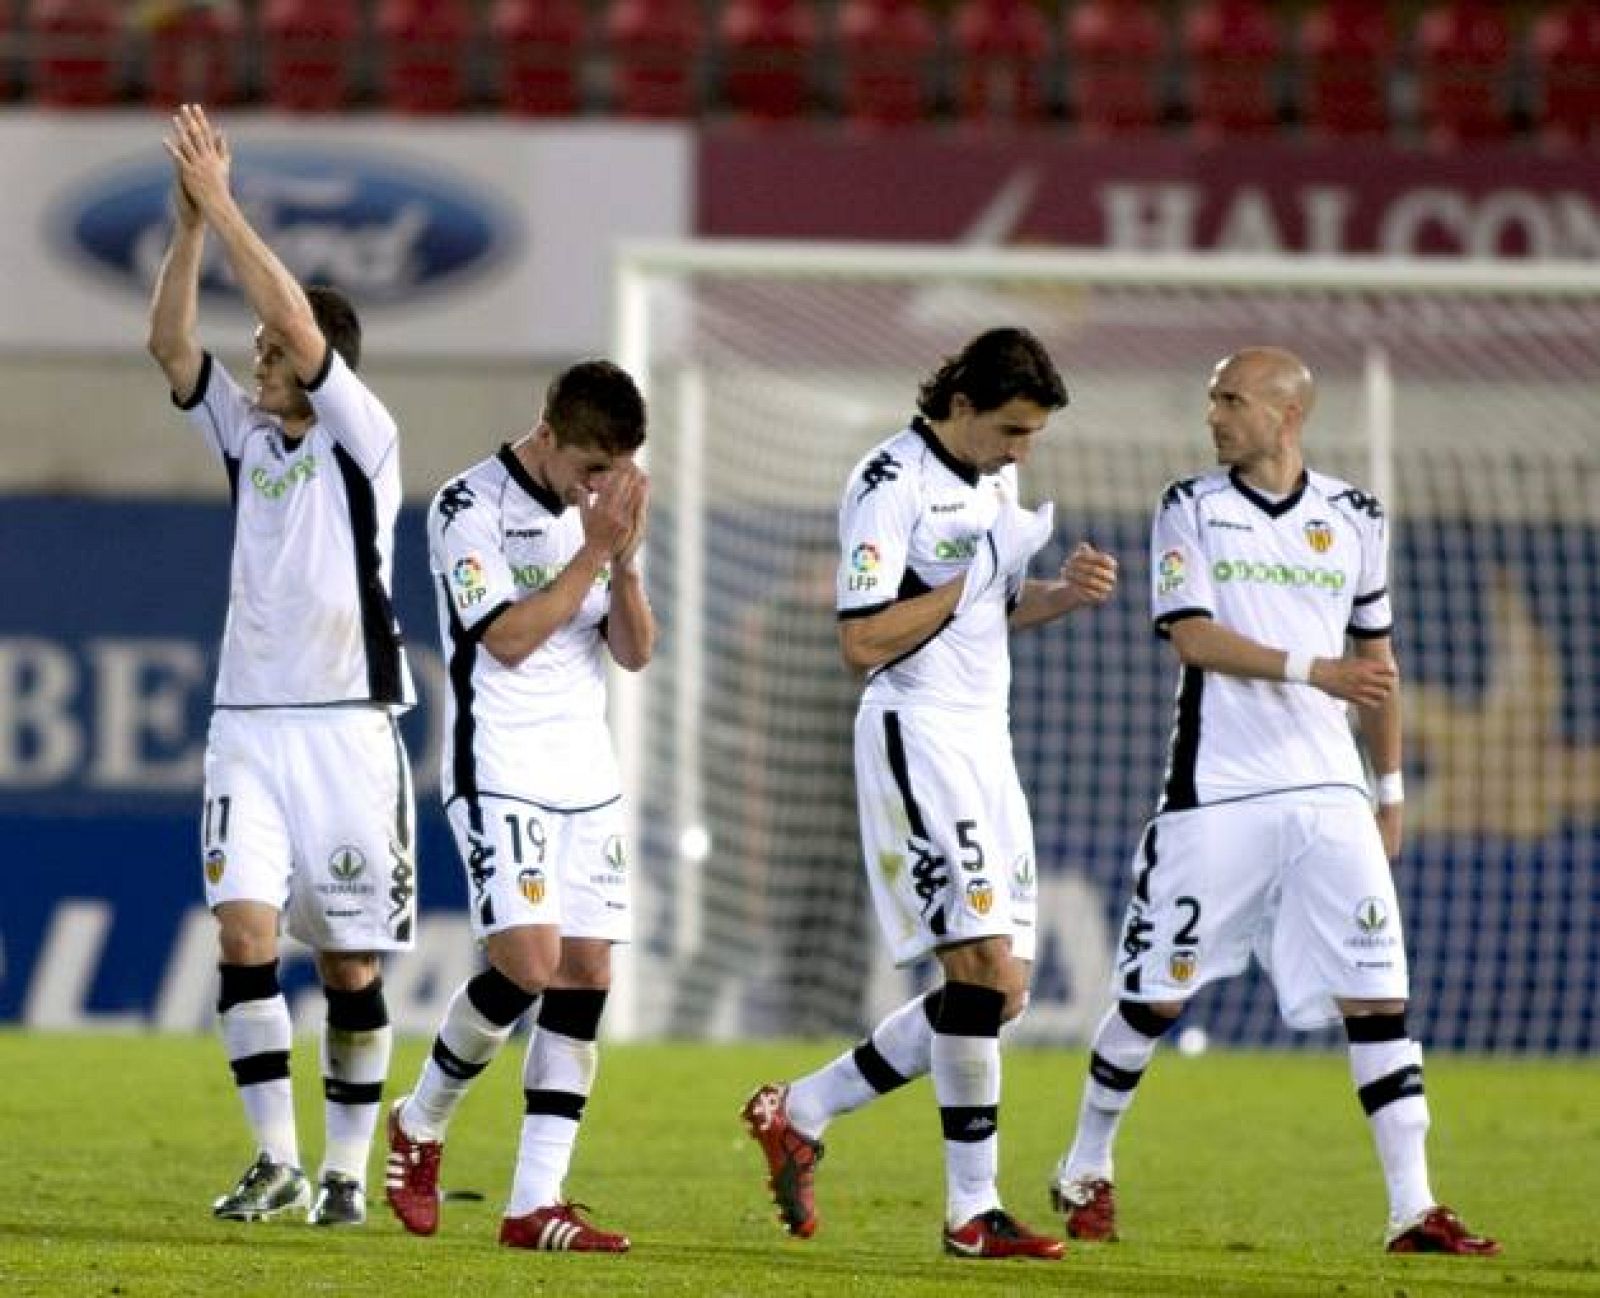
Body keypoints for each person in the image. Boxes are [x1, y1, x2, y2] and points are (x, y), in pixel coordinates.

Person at [1047, 346, 1499, 1257]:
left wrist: (1390, 790)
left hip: (1332, 791)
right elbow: (1193, 638)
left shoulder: (1356, 516)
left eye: (1231, 399)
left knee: (1378, 995)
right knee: (1156, 998)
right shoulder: (1190, 505)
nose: (1213, 415)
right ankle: (1086, 1164)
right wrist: (1314, 670)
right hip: (1219, 790)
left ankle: (1415, 1207)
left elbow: (1376, 665)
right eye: (1212, 398)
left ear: (1286, 415)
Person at [742, 327, 1119, 1259]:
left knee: (1006, 990)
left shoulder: (996, 481)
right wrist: (972, 577)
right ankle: (971, 1213)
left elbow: (996, 604)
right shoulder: (888, 483)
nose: (1021, 452)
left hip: (987, 739)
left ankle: (802, 1108)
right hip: (916, 732)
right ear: (959, 405)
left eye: (1033, 435)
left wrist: (1059, 594)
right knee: (980, 966)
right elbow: (862, 640)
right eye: (1012, 430)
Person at [147, 104, 416, 1227]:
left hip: (349, 726)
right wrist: (188, 228)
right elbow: (170, 349)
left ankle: (347, 1170)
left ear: (319, 367)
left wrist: (226, 202)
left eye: (269, 352)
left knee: (350, 966)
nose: (256, 360)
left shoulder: (364, 439)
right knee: (244, 933)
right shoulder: (247, 434)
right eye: (256, 351)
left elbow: (297, 321)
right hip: (248, 725)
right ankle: (277, 1158)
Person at [384, 360, 651, 1254]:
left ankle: (536, 1203)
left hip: (587, 771)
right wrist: (593, 551)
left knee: (586, 974)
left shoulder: (604, 515)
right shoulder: (468, 506)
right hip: (499, 763)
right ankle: (420, 1120)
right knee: (528, 963)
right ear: (547, 433)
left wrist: (629, 566)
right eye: (590, 467)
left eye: (615, 470)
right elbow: (505, 639)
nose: (599, 486)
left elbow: (634, 653)